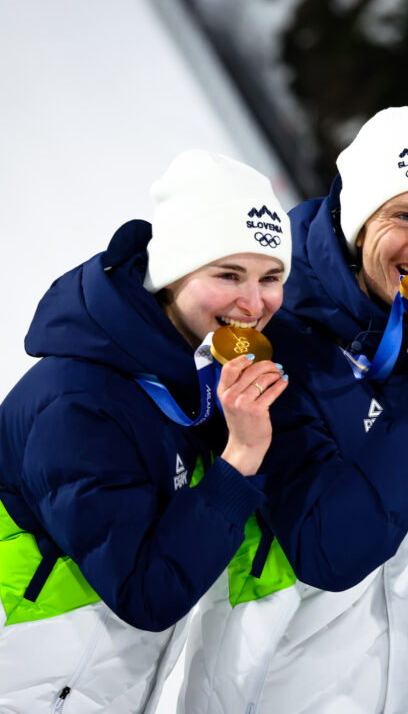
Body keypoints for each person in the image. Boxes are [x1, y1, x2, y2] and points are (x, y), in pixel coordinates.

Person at [180, 106, 408, 713]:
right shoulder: (267, 342)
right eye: (404, 215)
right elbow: (329, 549)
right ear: (355, 226)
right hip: (274, 696)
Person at [0, 150, 290, 713]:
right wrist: (241, 457)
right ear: (170, 276)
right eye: (228, 274)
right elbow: (146, 592)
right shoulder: (79, 401)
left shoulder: (191, 375)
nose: (253, 303)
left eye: (271, 277)